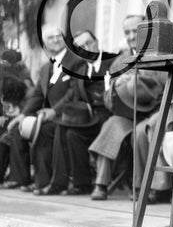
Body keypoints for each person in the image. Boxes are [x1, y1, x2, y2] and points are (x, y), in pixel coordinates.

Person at [89, 15, 166, 201]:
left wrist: (140, 83)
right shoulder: (118, 62)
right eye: (127, 32)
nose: (132, 36)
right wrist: (116, 86)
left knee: (142, 132)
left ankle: (142, 186)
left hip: (154, 113)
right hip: (126, 115)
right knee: (111, 124)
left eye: (136, 31)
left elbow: (166, 90)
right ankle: (101, 183)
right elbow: (108, 102)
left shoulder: (160, 55)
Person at [8, 24, 85, 194]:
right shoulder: (45, 68)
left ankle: (47, 183)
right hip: (48, 116)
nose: (56, 39)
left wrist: (54, 111)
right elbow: (36, 95)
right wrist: (23, 114)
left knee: (42, 131)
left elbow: (74, 92)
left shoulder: (76, 61)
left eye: (59, 35)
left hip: (69, 115)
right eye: (51, 37)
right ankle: (27, 180)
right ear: (45, 43)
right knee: (19, 129)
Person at [40, 30, 115, 195]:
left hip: (110, 115)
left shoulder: (112, 62)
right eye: (81, 47)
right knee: (67, 131)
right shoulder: (80, 69)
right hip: (89, 116)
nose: (87, 48)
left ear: (96, 42)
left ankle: (69, 183)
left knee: (70, 132)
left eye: (89, 43)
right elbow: (73, 94)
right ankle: (75, 184)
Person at [0, 75, 28, 187]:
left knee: (4, 141)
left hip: (17, 127)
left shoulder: (22, 102)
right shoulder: (7, 102)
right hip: (8, 128)